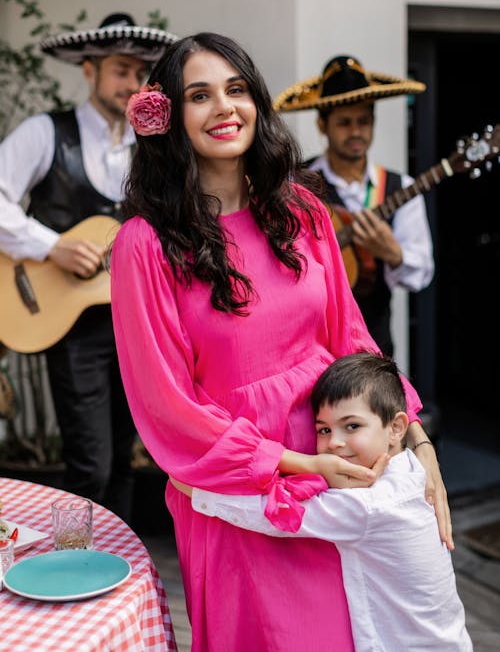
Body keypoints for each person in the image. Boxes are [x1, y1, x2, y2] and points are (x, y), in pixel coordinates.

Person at [110, 32, 450, 652]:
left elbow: (351, 338)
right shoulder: (145, 243)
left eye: (236, 90)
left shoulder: (303, 210)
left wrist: (417, 446)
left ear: (258, 103)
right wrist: (297, 465)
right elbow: (168, 408)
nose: (224, 108)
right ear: (170, 116)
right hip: (238, 488)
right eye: (200, 95)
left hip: (337, 470)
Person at [0, 13, 177, 522]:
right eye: (121, 70)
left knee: (123, 460)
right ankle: (69, 568)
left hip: (133, 323)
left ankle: (111, 569)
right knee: (90, 464)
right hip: (72, 326)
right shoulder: (45, 132)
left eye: (140, 73)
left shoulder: (151, 149)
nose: (131, 83)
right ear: (88, 70)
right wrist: (50, 245)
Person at [174, 352, 472, 652]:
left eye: (352, 426)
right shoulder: (412, 471)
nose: (335, 443)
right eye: (324, 430)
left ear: (396, 428)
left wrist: (198, 489)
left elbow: (272, 515)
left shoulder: (367, 505)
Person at [273, 55, 434, 356]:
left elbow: (421, 274)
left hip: (374, 346)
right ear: (323, 124)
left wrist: (393, 253)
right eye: (344, 123)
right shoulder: (295, 183)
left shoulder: (400, 187)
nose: (356, 132)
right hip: (309, 345)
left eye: (364, 121)